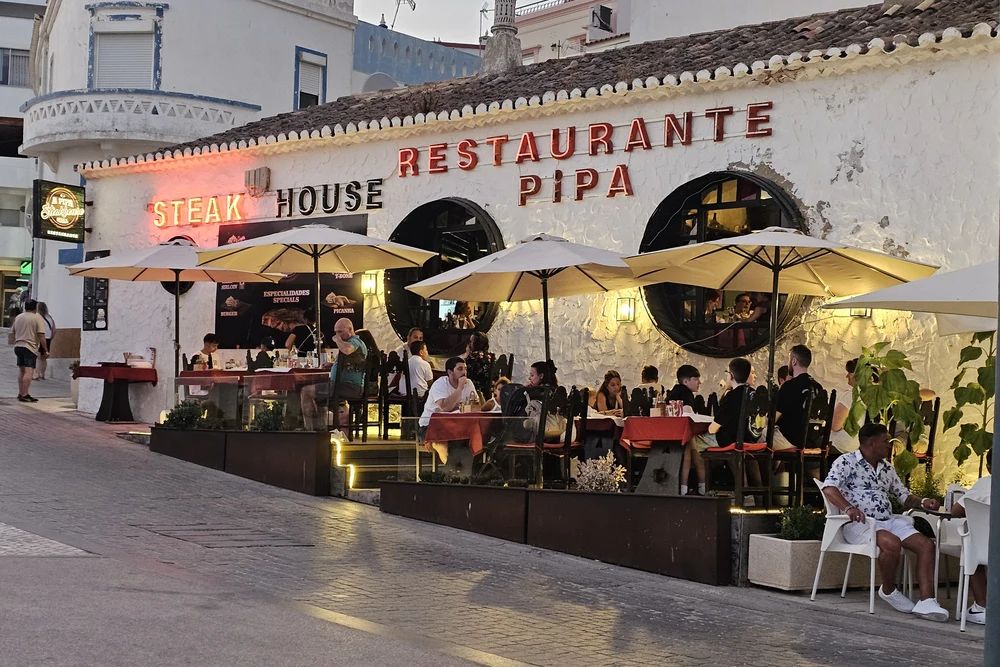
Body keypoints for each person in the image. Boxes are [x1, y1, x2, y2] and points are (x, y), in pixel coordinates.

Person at [821, 422, 950, 622]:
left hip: (888, 521)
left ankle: (927, 601)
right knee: (892, 543)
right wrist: (849, 508)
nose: (889, 445)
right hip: (860, 524)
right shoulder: (846, 462)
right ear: (871, 443)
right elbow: (829, 488)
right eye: (885, 441)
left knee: (925, 545)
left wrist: (924, 502)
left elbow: (903, 496)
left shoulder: (886, 467)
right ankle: (888, 590)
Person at [683, 358, 762, 496]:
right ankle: (751, 495)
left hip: (731, 440)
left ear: (731, 376)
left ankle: (701, 486)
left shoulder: (732, 396)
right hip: (751, 439)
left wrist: (708, 428)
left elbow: (714, 428)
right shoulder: (754, 394)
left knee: (691, 440)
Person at [301, 318, 368, 430]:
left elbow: (347, 350)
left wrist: (337, 340)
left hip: (346, 386)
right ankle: (321, 429)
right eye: (336, 332)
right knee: (319, 397)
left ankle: (310, 430)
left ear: (350, 329)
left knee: (305, 392)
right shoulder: (352, 343)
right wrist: (332, 365)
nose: (337, 335)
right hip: (346, 386)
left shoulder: (354, 342)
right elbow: (350, 363)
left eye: (340, 332)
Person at [950, 448, 992, 625]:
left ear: (989, 467)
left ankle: (981, 606)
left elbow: (956, 510)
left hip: (988, 548)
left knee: (971, 550)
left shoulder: (986, 483)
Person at [420, 356, 479, 463]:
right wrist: (460, 388)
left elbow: (476, 406)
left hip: (457, 425)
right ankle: (450, 474)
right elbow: (444, 407)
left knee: (472, 441)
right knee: (442, 443)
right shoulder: (440, 384)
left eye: (465, 369)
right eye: (460, 369)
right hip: (431, 426)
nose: (464, 372)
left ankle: (467, 473)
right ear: (450, 372)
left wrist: (462, 406)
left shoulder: (469, 384)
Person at [773, 344, 824, 452]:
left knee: (756, 438)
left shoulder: (789, 386)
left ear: (794, 361)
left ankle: (769, 469)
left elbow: (773, 418)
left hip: (791, 440)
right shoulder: (819, 388)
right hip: (812, 440)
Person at [12, 299, 47, 402]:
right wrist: (45, 349)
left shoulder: (19, 317)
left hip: (18, 345)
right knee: (29, 371)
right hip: (29, 347)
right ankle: (25, 394)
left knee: (21, 370)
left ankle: (20, 392)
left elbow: (13, 331)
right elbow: (41, 334)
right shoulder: (37, 318)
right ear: (35, 307)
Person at [829, 358, 860, 454]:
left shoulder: (851, 395)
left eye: (849, 373)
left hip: (842, 447)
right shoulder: (874, 396)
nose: (847, 376)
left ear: (858, 375)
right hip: (861, 449)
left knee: (810, 445)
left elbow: (835, 425)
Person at [461, 331, 495, 397]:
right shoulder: (490, 356)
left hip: (476, 389)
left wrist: (466, 354)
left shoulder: (473, 356)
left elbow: (463, 371)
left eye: (471, 342)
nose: (469, 344)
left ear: (476, 343)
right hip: (489, 389)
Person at [32, 302, 55, 381]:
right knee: (44, 358)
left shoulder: (37, 317)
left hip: (40, 338)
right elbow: (54, 329)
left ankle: (37, 374)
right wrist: (51, 338)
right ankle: (43, 374)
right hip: (48, 338)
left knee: (38, 357)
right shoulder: (50, 318)